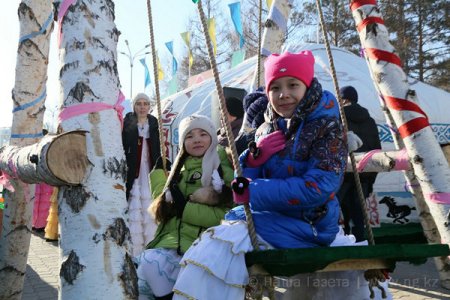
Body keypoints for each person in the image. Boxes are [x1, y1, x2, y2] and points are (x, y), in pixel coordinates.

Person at [172, 51, 349, 299]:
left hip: (311, 223)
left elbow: (319, 186)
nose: (283, 94)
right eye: (274, 88)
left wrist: (252, 191)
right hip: (270, 216)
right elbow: (242, 181)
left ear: (308, 87)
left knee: (221, 246)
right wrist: (254, 159)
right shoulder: (267, 126)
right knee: (214, 243)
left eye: (293, 85)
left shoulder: (326, 126)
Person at [135, 114, 234, 300]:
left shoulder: (223, 167)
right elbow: (162, 210)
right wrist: (157, 175)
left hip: (205, 244)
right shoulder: (179, 169)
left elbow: (229, 214)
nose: (196, 139)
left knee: (152, 264)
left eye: (203, 134)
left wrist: (185, 209)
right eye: (189, 136)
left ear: (213, 136)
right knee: (144, 272)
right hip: (173, 242)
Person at [337, 85, 381, 242]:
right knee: (358, 212)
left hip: (342, 173)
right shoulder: (370, 121)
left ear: (344, 99)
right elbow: (377, 150)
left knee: (334, 208)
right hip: (364, 173)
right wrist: (370, 179)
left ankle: (339, 242)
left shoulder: (338, 117)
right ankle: (360, 242)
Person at [122, 93, 161, 256]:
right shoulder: (129, 120)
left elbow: (157, 144)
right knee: (134, 200)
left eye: (145, 104)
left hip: (149, 164)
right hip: (133, 166)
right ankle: (134, 247)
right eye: (139, 104)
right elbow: (123, 142)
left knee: (149, 199)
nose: (142, 107)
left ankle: (150, 243)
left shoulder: (153, 121)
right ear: (134, 106)